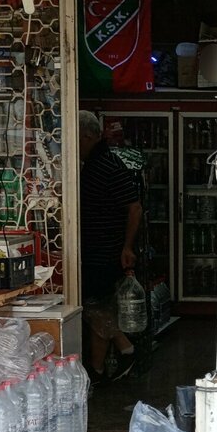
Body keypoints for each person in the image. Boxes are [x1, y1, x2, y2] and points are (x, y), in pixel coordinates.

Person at [78, 110, 143, 383]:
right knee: (101, 307)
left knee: (93, 307)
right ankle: (97, 369)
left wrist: (127, 247)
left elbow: (134, 207)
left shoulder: (108, 165)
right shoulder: (94, 163)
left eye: (76, 138)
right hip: (95, 250)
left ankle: (126, 348)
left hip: (104, 252)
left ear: (87, 136)